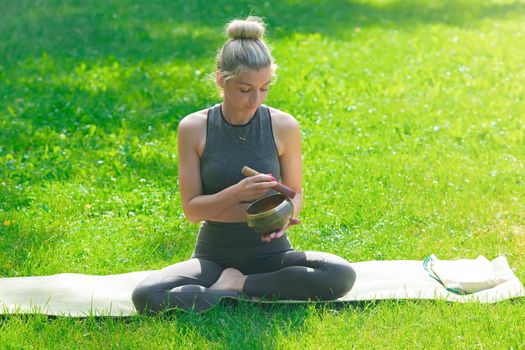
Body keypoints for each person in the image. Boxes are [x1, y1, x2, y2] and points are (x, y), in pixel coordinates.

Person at [132, 16, 356, 313]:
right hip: (214, 256)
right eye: (245, 89)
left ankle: (236, 287)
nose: (255, 99)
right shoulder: (194, 128)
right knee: (147, 294)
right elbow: (192, 210)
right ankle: (236, 285)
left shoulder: (283, 125)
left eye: (264, 88)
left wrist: (286, 216)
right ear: (220, 80)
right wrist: (237, 193)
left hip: (271, 253)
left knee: (341, 275)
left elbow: (295, 193)